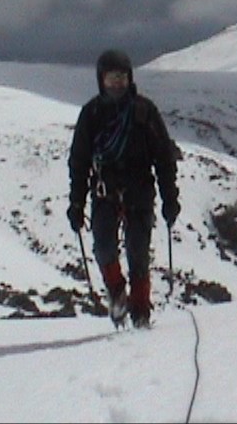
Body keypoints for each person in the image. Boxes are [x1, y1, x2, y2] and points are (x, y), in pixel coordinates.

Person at [66, 49, 180, 328]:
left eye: (121, 77)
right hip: (104, 191)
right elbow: (79, 162)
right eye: (111, 78)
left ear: (129, 78)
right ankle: (116, 291)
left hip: (139, 190)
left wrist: (170, 198)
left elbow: (163, 158)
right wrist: (77, 203)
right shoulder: (91, 114)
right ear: (101, 80)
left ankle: (140, 311)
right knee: (104, 248)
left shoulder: (144, 112)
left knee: (137, 252)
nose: (117, 83)